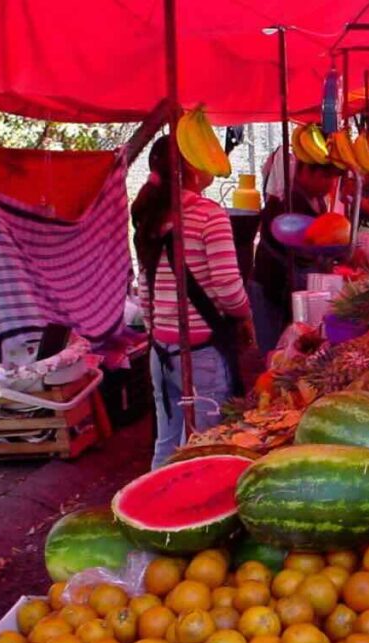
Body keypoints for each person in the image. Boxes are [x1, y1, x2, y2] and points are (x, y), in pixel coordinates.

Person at [131, 136, 254, 469]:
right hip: (202, 355)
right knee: (206, 446)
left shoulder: (150, 216)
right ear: (191, 167)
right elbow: (229, 288)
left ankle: (155, 510)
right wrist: (245, 316)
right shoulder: (208, 215)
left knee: (167, 441)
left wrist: (159, 333)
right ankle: (193, 516)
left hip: (160, 353)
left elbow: (145, 289)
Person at [250, 161, 342, 355]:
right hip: (272, 287)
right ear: (306, 172)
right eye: (325, 177)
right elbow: (300, 247)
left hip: (291, 287)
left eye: (333, 178)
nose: (331, 184)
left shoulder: (317, 200)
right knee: (275, 350)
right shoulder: (287, 202)